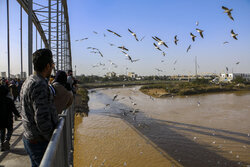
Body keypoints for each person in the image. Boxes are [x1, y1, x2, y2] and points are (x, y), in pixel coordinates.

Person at [20, 49, 58, 167]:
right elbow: (41, 118)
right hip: (38, 141)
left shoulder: (29, 80)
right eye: (52, 64)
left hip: (30, 136)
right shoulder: (40, 84)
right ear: (47, 66)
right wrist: (52, 139)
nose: (53, 67)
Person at [0, 85, 21, 151]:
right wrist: (18, 115)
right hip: (8, 118)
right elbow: (13, 109)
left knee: (2, 131)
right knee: (10, 129)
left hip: (0, 119)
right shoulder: (9, 100)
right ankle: (7, 140)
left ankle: (2, 144)